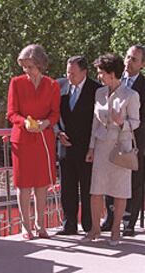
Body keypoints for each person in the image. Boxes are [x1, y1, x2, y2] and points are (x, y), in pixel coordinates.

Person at [84, 53, 140, 246]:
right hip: (101, 146)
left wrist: (121, 122)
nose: (99, 76)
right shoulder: (99, 93)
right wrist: (91, 147)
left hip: (121, 148)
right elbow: (94, 122)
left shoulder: (131, 95)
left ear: (111, 73)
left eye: (101, 72)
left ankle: (116, 230)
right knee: (96, 189)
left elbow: (136, 122)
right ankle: (95, 229)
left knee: (119, 190)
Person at [7, 44, 60, 240]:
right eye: (24, 67)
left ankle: (41, 225)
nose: (26, 71)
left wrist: (46, 123)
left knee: (41, 184)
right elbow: (11, 113)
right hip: (22, 139)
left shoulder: (53, 85)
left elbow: (55, 113)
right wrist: (24, 123)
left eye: (30, 66)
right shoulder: (16, 83)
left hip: (43, 139)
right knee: (23, 185)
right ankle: (25, 227)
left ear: (40, 65)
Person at [101, 45, 145, 236]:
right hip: (111, 140)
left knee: (133, 183)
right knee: (110, 178)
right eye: (127, 57)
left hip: (135, 142)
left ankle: (128, 222)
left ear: (142, 64)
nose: (128, 61)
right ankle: (110, 219)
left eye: (134, 59)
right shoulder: (113, 81)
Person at [56, 56, 101, 235]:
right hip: (65, 146)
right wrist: (58, 132)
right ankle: (69, 224)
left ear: (84, 72)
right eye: (67, 72)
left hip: (87, 148)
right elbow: (54, 114)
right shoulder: (59, 86)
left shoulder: (97, 90)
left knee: (88, 186)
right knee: (67, 188)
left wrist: (93, 146)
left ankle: (89, 225)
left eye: (73, 73)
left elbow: (98, 121)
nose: (69, 76)